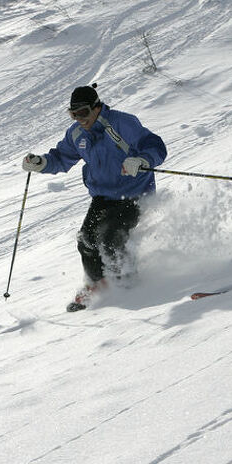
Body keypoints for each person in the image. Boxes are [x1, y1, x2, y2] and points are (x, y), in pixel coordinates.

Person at [22, 84, 167, 311]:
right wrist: (41, 163)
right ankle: (96, 285)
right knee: (86, 240)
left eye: (83, 113)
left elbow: (156, 146)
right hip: (103, 196)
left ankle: (128, 284)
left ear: (97, 107)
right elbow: (61, 157)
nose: (79, 119)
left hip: (134, 193)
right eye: (73, 114)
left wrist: (141, 161)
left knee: (111, 240)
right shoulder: (76, 134)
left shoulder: (122, 123)